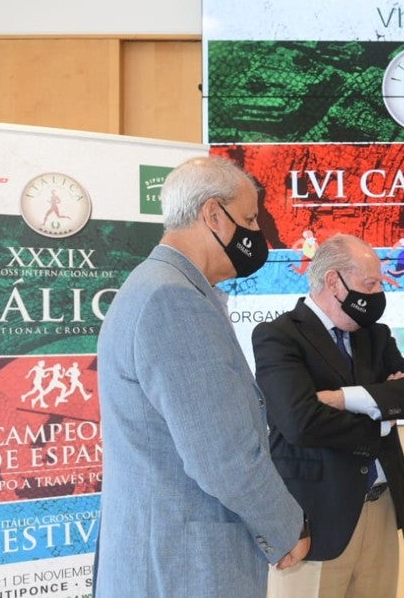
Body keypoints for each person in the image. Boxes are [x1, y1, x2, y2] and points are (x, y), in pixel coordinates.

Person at [95, 156, 309, 598]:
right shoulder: (174, 300)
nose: (256, 233)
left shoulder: (155, 285)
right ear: (213, 214)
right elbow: (223, 456)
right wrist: (288, 527)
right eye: (249, 219)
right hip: (187, 566)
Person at [252, 233, 404, 598]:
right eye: (370, 284)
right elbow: (300, 423)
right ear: (333, 281)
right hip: (316, 517)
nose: (377, 294)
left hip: (381, 509)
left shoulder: (376, 335)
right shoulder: (280, 336)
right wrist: (381, 416)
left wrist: (342, 398)